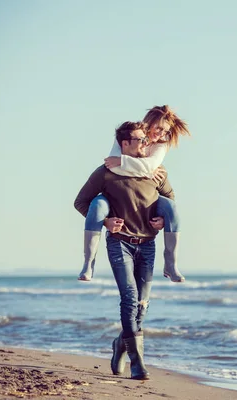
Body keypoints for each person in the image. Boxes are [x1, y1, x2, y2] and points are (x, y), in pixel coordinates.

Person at [74, 121, 171, 380]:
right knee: (129, 298)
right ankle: (137, 361)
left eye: (145, 139)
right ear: (125, 143)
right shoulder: (107, 171)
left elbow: (170, 198)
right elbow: (81, 201)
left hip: (148, 245)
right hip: (120, 243)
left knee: (142, 305)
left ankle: (120, 344)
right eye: (140, 140)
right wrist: (105, 222)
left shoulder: (156, 171)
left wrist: (162, 220)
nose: (145, 144)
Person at [77, 105, 190, 283]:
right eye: (158, 128)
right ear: (149, 122)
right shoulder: (128, 135)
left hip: (147, 230)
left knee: (171, 207)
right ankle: (88, 263)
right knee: (98, 204)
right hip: (116, 211)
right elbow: (114, 168)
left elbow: (145, 168)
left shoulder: (162, 145)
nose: (160, 134)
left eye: (165, 131)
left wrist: (162, 218)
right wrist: (145, 169)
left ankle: (171, 264)